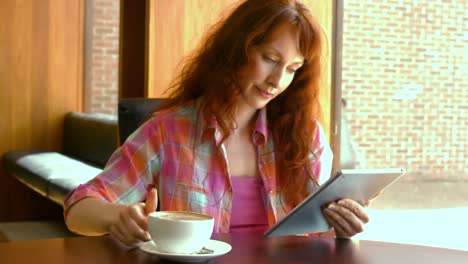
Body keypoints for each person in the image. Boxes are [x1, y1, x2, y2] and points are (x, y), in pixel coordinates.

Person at [64, 0, 370, 247]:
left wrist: (342, 229)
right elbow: (78, 207)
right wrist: (115, 217)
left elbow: (318, 240)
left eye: (292, 68)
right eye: (270, 59)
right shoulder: (169, 132)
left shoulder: (304, 136)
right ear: (237, 49)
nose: (278, 81)